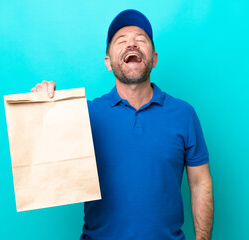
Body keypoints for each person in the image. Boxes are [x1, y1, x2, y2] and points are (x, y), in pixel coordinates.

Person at [31, 9, 213, 240]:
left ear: (154, 59)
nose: (132, 45)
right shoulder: (84, 114)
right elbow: (46, 163)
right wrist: (39, 106)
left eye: (140, 40)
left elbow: (199, 182)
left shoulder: (183, 114)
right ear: (108, 62)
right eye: (121, 41)